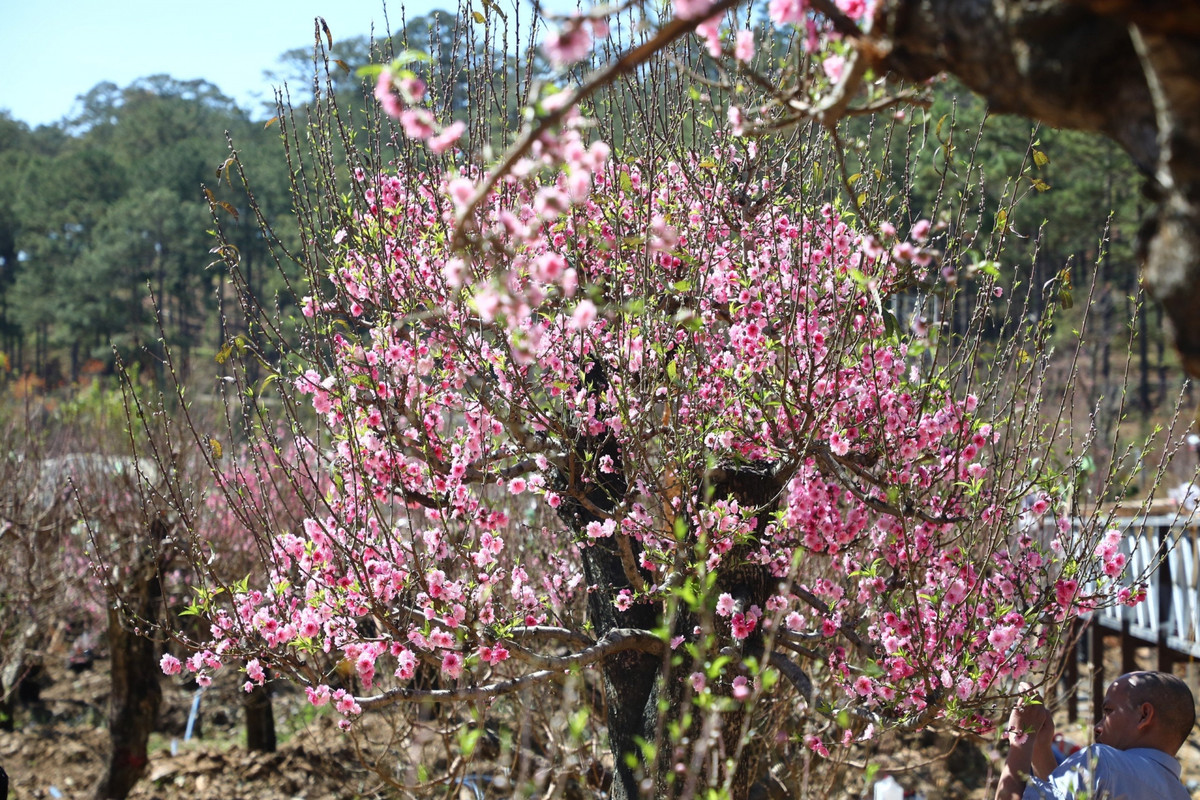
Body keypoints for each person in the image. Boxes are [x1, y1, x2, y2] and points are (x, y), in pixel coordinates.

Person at [996, 671, 1196, 800]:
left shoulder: (1104, 762)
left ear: (1144, 715)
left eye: (1109, 711)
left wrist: (1021, 738)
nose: (1097, 728)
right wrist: (1040, 749)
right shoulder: (1181, 795)